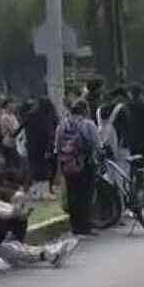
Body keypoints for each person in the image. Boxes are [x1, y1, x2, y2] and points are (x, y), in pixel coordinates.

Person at [55, 99, 100, 235]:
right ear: (85, 110)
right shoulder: (88, 124)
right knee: (86, 195)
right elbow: (95, 144)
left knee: (72, 194)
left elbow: (57, 146)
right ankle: (85, 226)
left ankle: (75, 225)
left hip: (68, 164)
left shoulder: (62, 125)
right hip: (85, 164)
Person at [22, 96, 57, 200]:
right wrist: (49, 147)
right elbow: (48, 133)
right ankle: (45, 193)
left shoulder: (30, 115)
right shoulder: (46, 117)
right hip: (43, 146)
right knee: (45, 169)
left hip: (32, 145)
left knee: (35, 168)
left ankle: (37, 192)